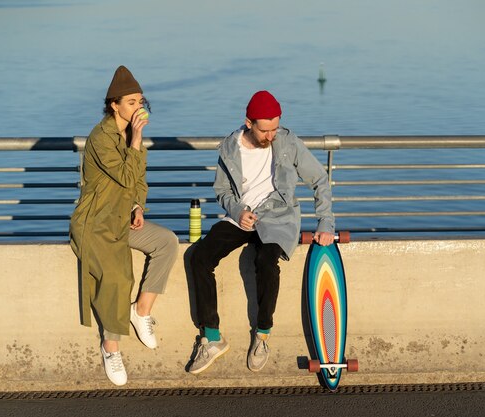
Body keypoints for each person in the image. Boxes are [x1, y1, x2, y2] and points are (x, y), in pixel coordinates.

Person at [188, 90, 335, 374]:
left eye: (275, 128)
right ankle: (212, 337)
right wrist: (237, 211)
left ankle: (263, 333)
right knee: (199, 258)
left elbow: (319, 180)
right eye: (265, 130)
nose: (271, 135)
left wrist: (325, 223)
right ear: (249, 123)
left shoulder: (289, 142)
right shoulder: (229, 148)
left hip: (277, 218)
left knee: (265, 262)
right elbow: (221, 191)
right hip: (242, 218)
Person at [69, 65, 178, 386]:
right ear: (113, 105)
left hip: (122, 217)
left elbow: (138, 181)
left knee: (166, 242)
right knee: (117, 274)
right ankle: (110, 346)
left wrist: (137, 205)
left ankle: (141, 311)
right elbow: (128, 174)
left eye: (140, 101)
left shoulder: (128, 136)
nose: (138, 107)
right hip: (96, 222)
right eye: (131, 102)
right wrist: (138, 138)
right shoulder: (101, 138)